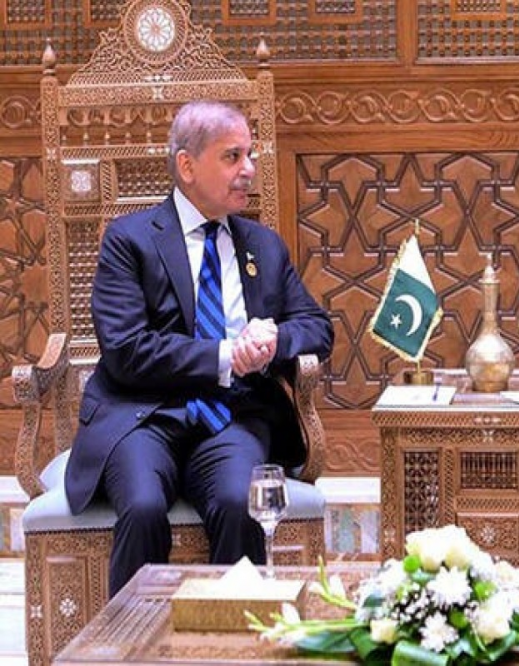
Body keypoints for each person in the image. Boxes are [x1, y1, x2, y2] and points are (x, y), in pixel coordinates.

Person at [64, 100, 333, 597]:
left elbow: (317, 327)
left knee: (240, 503)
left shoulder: (263, 245)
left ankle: (238, 634)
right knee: (143, 506)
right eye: (232, 156)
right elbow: (126, 350)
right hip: (142, 416)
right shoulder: (129, 240)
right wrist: (225, 356)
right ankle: (133, 637)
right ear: (187, 166)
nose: (248, 169)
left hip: (233, 415)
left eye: (250, 154)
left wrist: (275, 339)